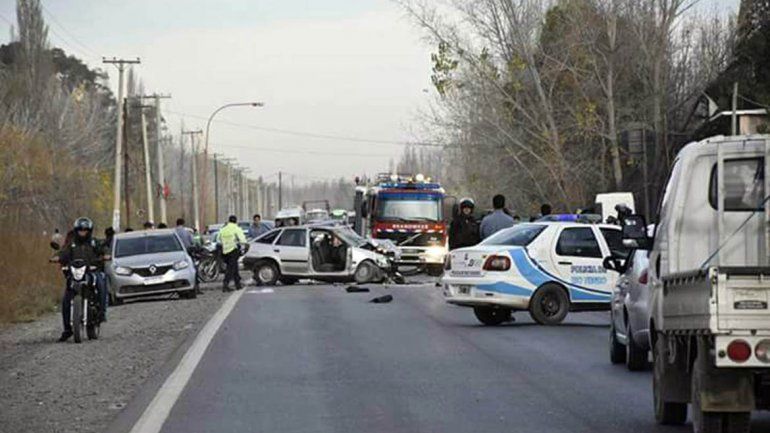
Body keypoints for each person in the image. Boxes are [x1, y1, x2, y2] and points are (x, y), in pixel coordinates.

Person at [56, 217, 107, 342]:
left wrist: (105, 255)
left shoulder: (94, 242)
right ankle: (67, 329)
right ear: (76, 230)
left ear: (89, 231)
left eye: (85, 230)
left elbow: (103, 249)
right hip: (75, 274)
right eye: (80, 230)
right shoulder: (71, 244)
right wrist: (57, 257)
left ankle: (101, 314)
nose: (82, 232)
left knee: (101, 284)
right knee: (66, 299)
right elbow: (63, 253)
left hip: (92, 272)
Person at [219, 215, 247, 292]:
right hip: (233, 250)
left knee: (234, 267)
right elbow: (243, 240)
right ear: (236, 221)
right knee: (231, 269)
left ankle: (237, 284)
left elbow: (219, 239)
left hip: (224, 251)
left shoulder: (223, 229)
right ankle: (225, 285)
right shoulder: (236, 228)